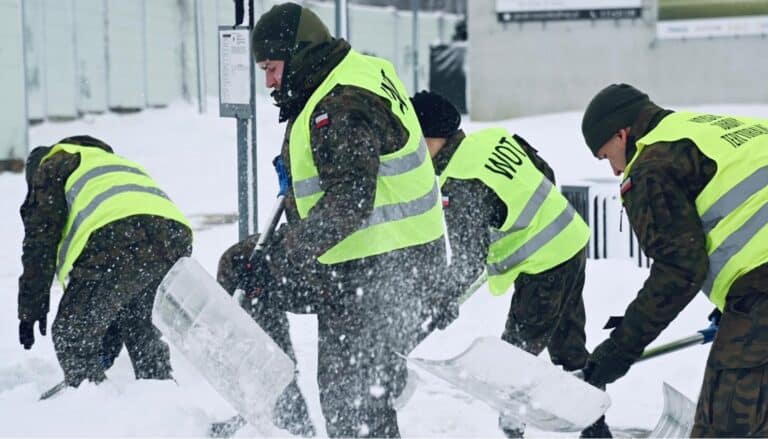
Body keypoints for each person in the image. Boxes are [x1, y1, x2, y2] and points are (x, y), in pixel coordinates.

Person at [217, 3, 448, 437]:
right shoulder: (352, 71)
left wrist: (290, 245)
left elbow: (351, 200)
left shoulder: (338, 104)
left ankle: (326, 410)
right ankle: (285, 417)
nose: (267, 81)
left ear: (299, 53)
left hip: (383, 270)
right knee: (244, 268)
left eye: (271, 67)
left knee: (351, 405)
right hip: (378, 258)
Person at [409, 91, 610, 438]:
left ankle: (514, 429)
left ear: (431, 140)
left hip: (544, 262)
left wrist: (442, 300)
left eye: (413, 143)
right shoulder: (492, 139)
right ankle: (595, 428)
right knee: (567, 347)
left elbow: (467, 259)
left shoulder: (460, 182)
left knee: (512, 361)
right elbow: (544, 172)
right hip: (570, 238)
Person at [579, 83, 768, 437]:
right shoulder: (706, 127)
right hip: (755, 288)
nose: (616, 172)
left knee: (723, 427)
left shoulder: (651, 164)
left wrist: (620, 349)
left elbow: (679, 269)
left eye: (607, 157)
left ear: (622, 134)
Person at [18, 135, 192, 388]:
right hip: (174, 237)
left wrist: (31, 307)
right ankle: (161, 397)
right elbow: (113, 300)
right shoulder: (107, 162)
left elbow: (39, 243)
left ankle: (95, 410)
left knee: (72, 334)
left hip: (119, 237)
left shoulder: (51, 165)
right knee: (139, 325)